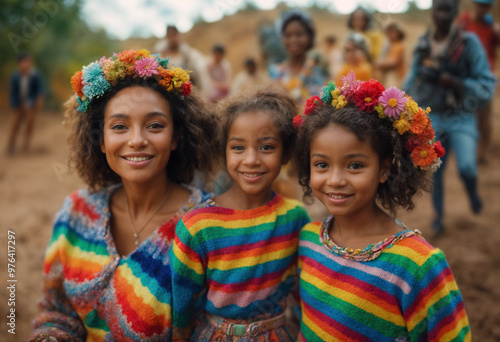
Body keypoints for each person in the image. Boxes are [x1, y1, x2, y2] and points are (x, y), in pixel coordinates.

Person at [29, 49, 218, 341]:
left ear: (177, 137)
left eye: (155, 125)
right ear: (101, 140)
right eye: (119, 126)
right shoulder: (76, 214)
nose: (137, 140)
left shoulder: (208, 226)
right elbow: (57, 311)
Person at [293, 74, 470, 341]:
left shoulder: (417, 266)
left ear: (384, 170)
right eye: (322, 164)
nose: (335, 180)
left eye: (355, 165)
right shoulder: (308, 240)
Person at [169, 89, 311, 341]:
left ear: (286, 153)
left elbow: (304, 293)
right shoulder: (198, 226)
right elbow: (182, 307)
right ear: (224, 151)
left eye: (266, 147)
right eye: (238, 147)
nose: (251, 159)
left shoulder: (295, 218)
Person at [404, 0, 496, 235]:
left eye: (448, 8)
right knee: (436, 172)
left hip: (462, 115)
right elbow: (409, 82)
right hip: (433, 116)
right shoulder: (424, 44)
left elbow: (487, 83)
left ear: (457, 12)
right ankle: (438, 218)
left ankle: (472, 191)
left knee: (467, 168)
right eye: (439, 8)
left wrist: (455, 82)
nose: (443, 14)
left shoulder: (468, 43)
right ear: (432, 11)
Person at [457, 0, 500, 163]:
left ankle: (483, 152)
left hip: (484, 77)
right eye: (481, 5)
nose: (483, 8)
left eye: (487, 6)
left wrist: (497, 30)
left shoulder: (491, 26)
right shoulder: (464, 21)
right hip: (465, 74)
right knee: (464, 112)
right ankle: (465, 147)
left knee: (485, 115)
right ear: (475, 4)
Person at [269, 10, 324, 106]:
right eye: (288, 35)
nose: (293, 40)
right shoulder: (276, 72)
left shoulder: (318, 70)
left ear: (309, 37)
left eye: (299, 34)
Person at [6, 52, 44, 154]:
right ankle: (10, 146)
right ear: (19, 64)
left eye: (27, 62)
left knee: (30, 124)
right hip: (17, 104)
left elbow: (39, 90)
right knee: (14, 124)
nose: (26, 65)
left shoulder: (35, 75)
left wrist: (36, 102)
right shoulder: (15, 76)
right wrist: (15, 104)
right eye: (23, 62)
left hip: (30, 105)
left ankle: (25, 145)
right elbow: (12, 92)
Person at [154, 25, 207, 92]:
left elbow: (198, 75)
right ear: (167, 38)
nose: (173, 39)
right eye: (170, 36)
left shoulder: (188, 55)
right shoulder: (161, 54)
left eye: (174, 36)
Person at [374, 22, 407, 88]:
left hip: (395, 77)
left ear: (398, 33)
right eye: (388, 32)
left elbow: (393, 62)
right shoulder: (388, 45)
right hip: (386, 77)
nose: (390, 35)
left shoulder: (398, 45)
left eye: (392, 32)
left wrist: (379, 63)